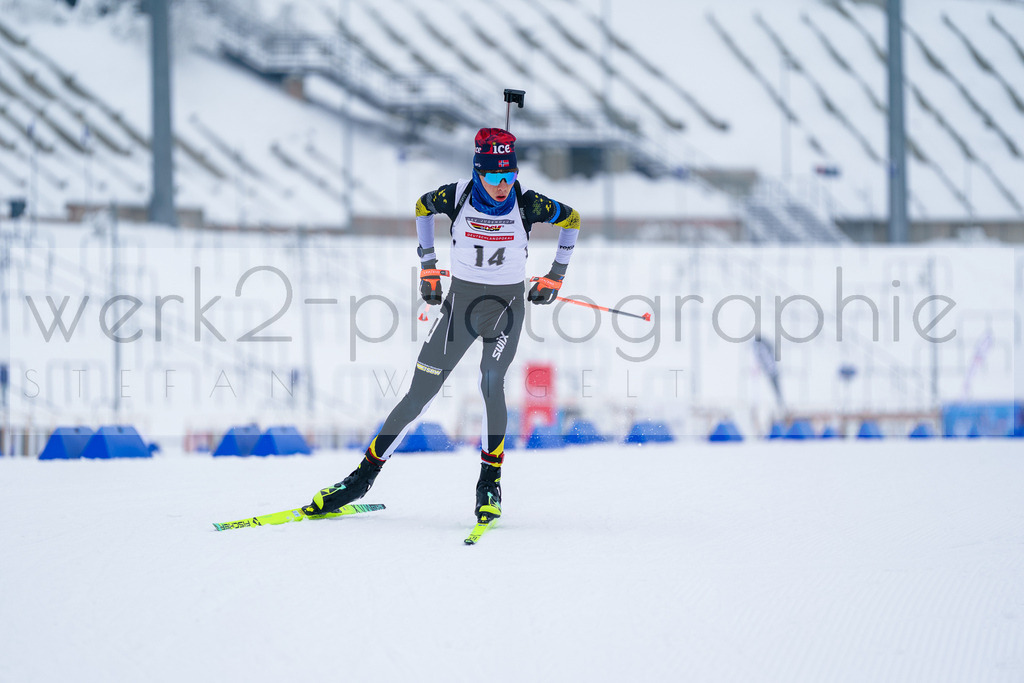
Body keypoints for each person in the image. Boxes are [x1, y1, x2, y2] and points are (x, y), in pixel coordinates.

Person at [303, 127, 581, 523]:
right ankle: (361, 479)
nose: (503, 185)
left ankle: (490, 484)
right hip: (460, 308)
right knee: (419, 395)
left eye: (510, 175)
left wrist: (556, 274)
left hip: (505, 310)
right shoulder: (457, 196)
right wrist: (429, 266)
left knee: (490, 381)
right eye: (495, 176)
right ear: (478, 171)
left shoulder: (527, 202)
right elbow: (421, 207)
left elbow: (572, 220)